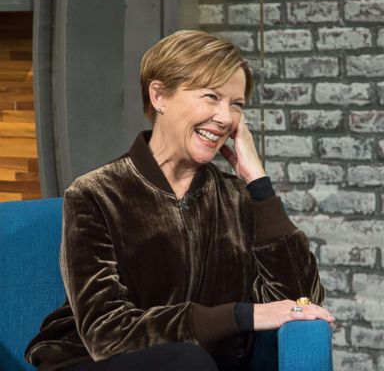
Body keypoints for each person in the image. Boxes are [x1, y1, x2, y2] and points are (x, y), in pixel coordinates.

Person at [25, 30, 334, 371]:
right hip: (96, 362)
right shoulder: (96, 193)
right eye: (211, 96)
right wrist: (240, 316)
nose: (225, 117)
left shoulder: (237, 198)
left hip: (205, 364)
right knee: (187, 360)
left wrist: (258, 184)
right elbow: (107, 333)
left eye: (237, 105)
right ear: (159, 95)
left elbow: (299, 301)